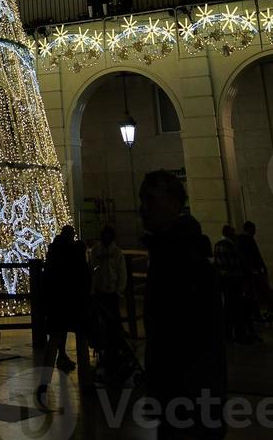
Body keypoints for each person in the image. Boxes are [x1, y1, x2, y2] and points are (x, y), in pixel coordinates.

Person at [140, 170, 226, 438]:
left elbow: (195, 336)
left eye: (152, 199)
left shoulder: (183, 259)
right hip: (181, 397)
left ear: (175, 204)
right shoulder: (169, 253)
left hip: (188, 397)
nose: (145, 208)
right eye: (143, 200)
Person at [37, 225, 91, 406]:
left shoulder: (54, 254)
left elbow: (46, 281)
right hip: (76, 304)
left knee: (53, 342)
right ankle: (86, 382)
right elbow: (84, 277)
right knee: (82, 341)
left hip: (58, 305)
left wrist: (46, 305)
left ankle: (44, 382)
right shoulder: (76, 253)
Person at [90, 225, 127, 376]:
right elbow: (92, 270)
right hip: (100, 292)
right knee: (101, 322)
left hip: (111, 292)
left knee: (113, 321)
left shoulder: (116, 253)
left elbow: (121, 272)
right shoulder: (96, 252)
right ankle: (104, 348)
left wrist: (119, 290)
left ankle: (113, 348)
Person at [214, 225, 248, 343]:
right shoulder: (230, 245)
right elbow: (237, 262)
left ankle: (228, 334)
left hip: (224, 280)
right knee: (236, 307)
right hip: (233, 280)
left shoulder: (218, 244)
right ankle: (239, 335)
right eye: (233, 231)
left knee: (228, 307)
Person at [238, 221, 270, 322]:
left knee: (250, 294)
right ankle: (256, 315)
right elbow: (256, 255)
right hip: (251, 272)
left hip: (246, 272)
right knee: (253, 294)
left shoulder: (239, 240)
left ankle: (254, 314)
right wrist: (261, 268)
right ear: (250, 229)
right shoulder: (248, 240)